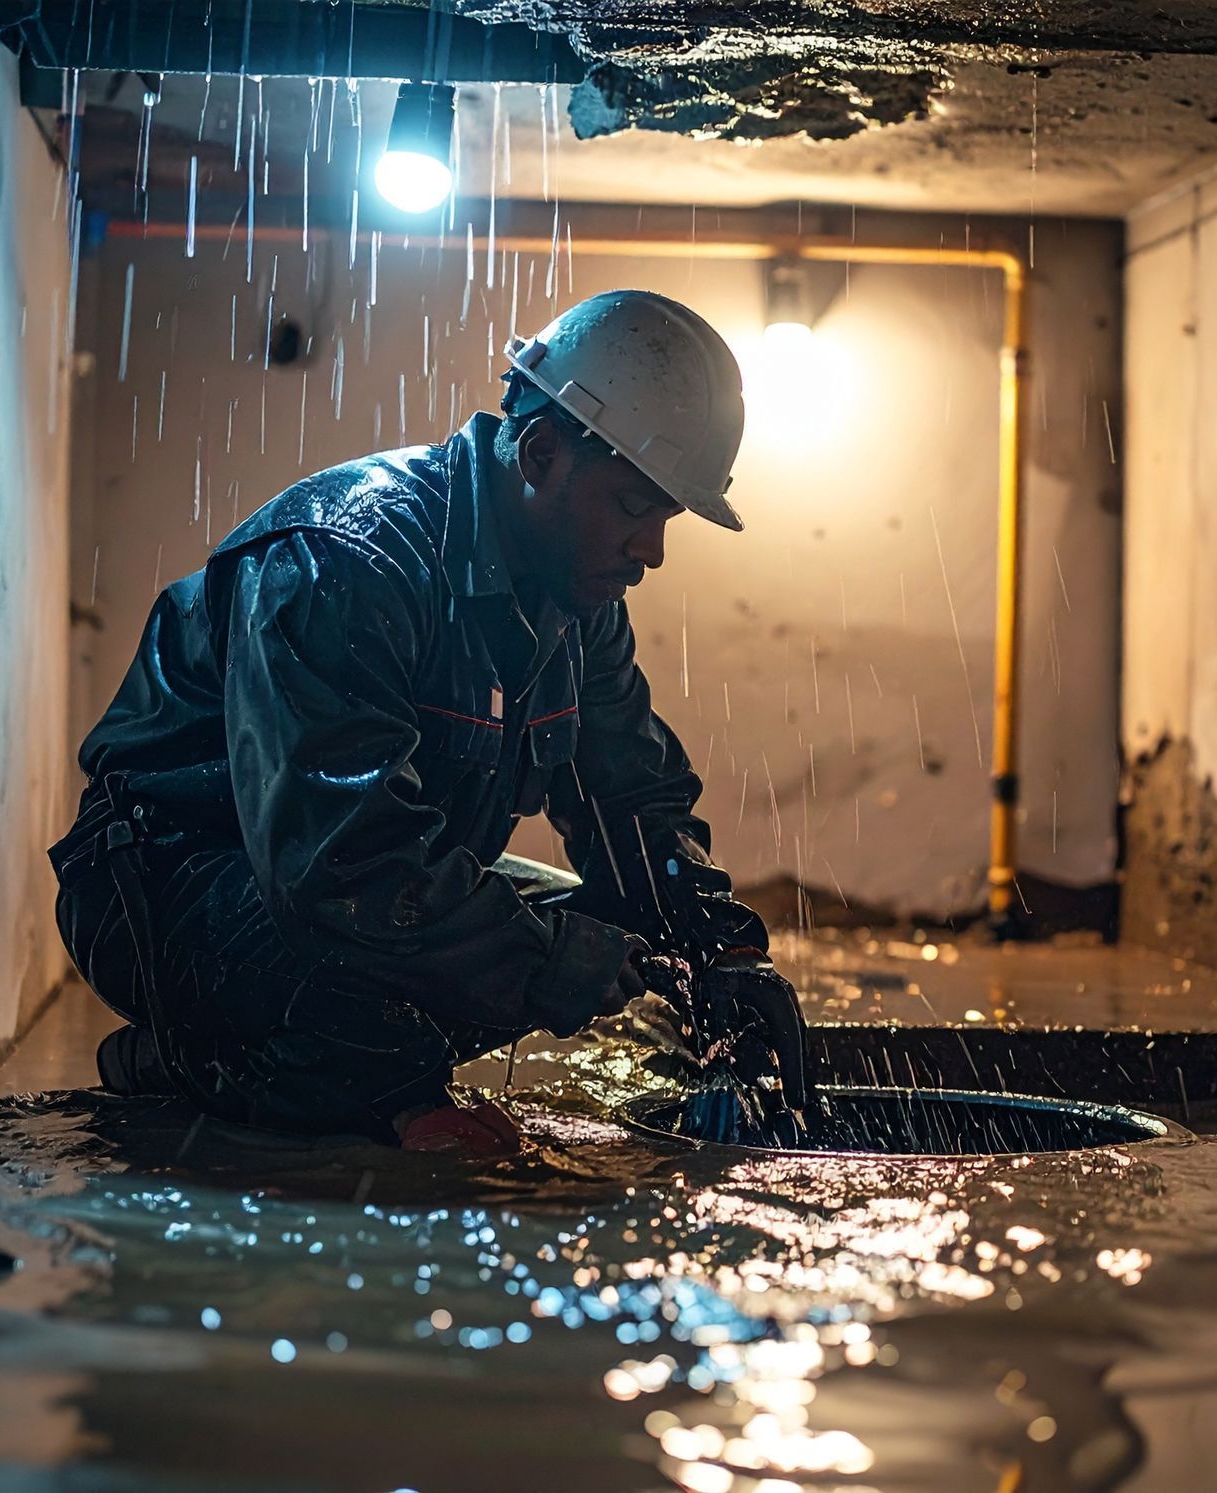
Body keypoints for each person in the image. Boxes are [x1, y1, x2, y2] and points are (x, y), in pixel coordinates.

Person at [49, 290, 791, 1153]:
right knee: (504, 963)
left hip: (341, 881)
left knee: (603, 944)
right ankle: (233, 1059)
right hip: (171, 887)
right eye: (633, 508)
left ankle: (269, 1058)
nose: (652, 551)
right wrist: (521, 987)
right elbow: (342, 861)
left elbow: (633, 801)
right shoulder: (347, 561)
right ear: (541, 454)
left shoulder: (577, 604)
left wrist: (719, 952)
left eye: (665, 518)